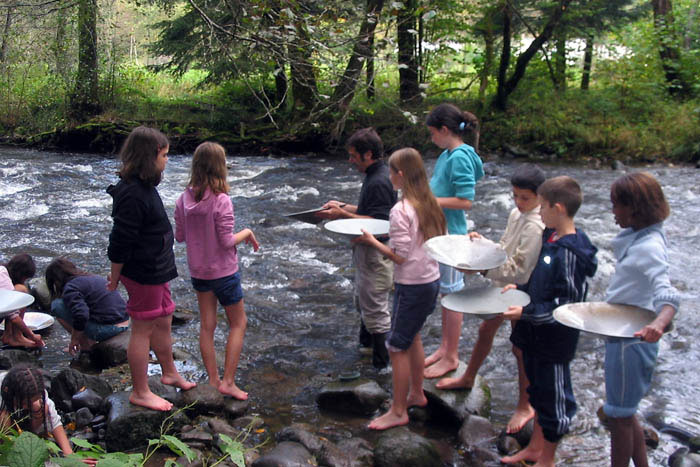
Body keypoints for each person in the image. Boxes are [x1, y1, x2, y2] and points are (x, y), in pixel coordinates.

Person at [436, 164, 545, 433]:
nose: (519, 202)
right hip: (504, 285)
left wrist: (481, 268)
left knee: (521, 349)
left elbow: (521, 268)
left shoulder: (537, 226)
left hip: (524, 291)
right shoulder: (515, 214)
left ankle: (525, 405)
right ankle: (468, 377)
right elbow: (505, 249)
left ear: (540, 196)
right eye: (515, 196)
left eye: (525, 198)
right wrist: (483, 245)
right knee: (486, 329)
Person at [501, 176, 598, 466]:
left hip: (554, 341)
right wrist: (520, 291)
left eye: (542, 207)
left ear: (557, 208)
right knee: (538, 391)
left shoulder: (570, 252)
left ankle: (548, 459)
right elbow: (541, 283)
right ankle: (535, 448)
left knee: (555, 399)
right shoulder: (551, 237)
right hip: (535, 335)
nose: (538, 213)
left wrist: (525, 312)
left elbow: (567, 305)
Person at [354, 148, 445, 430]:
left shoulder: (401, 209)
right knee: (412, 336)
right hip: (430, 281)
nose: (388, 176)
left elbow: (400, 255)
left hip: (412, 286)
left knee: (395, 346)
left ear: (401, 175)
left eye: (392, 171)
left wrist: (372, 241)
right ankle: (416, 393)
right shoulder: (429, 202)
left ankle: (398, 409)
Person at [107, 126, 196, 412]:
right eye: (164, 155)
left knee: (165, 317)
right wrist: (115, 274)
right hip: (144, 271)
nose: (167, 160)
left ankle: (169, 372)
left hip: (158, 267)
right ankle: (140, 391)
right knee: (142, 328)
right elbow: (120, 240)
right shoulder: (131, 194)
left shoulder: (144, 187)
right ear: (149, 156)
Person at [604, 172, 679, 467]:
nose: (612, 211)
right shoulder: (645, 235)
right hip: (624, 334)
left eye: (616, 205)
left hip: (632, 342)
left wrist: (659, 324)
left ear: (635, 207)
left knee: (618, 417)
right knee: (624, 410)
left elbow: (668, 294)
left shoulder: (649, 247)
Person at [175, 142, 259, 400]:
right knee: (238, 323)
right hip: (224, 273)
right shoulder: (222, 201)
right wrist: (247, 233)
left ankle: (212, 380)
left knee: (207, 326)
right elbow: (226, 242)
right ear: (221, 168)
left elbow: (179, 237)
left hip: (200, 273)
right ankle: (229, 382)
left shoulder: (182, 199)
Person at [317, 128, 397, 369]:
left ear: (368, 154)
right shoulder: (378, 175)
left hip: (376, 252)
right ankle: (366, 350)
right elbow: (370, 212)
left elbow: (381, 225)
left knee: (375, 308)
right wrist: (342, 206)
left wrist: (340, 214)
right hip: (369, 253)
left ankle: (381, 366)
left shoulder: (380, 181)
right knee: (364, 302)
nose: (350, 161)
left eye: (354, 156)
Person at [423, 103, 484, 379]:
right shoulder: (449, 154)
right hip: (440, 231)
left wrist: (429, 201)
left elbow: (466, 201)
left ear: (444, 130)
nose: (431, 138)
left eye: (433, 133)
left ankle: (451, 356)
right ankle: (444, 348)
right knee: (446, 294)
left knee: (452, 294)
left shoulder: (460, 156)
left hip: (453, 235)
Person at [0, 365, 96, 465]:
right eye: (25, 403)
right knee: (3, 416)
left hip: (23, 427)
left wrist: (71, 459)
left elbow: (55, 423)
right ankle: (8, 451)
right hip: (4, 425)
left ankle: (30, 446)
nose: (28, 406)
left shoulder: (34, 390)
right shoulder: (5, 391)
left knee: (40, 406)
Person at [45, 257, 129, 355]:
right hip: (125, 322)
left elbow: (82, 315)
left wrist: (74, 340)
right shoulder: (92, 277)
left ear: (56, 281)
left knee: (57, 305)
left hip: (110, 329)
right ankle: (88, 342)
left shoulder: (71, 287)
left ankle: (86, 346)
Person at [1, 254, 44, 348]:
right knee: (21, 290)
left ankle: (10, 336)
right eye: (26, 277)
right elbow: (13, 315)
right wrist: (32, 336)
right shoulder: (2, 274)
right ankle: (15, 337)